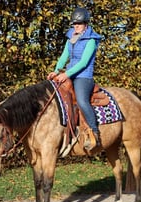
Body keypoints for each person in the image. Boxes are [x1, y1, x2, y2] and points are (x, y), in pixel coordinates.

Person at [47, 7, 102, 151]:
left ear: (86, 24)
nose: (76, 26)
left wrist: (66, 74)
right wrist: (56, 71)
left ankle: (94, 132)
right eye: (74, 24)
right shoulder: (71, 36)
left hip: (84, 77)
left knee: (82, 101)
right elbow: (64, 56)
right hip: (69, 74)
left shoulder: (91, 40)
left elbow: (84, 62)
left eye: (79, 24)